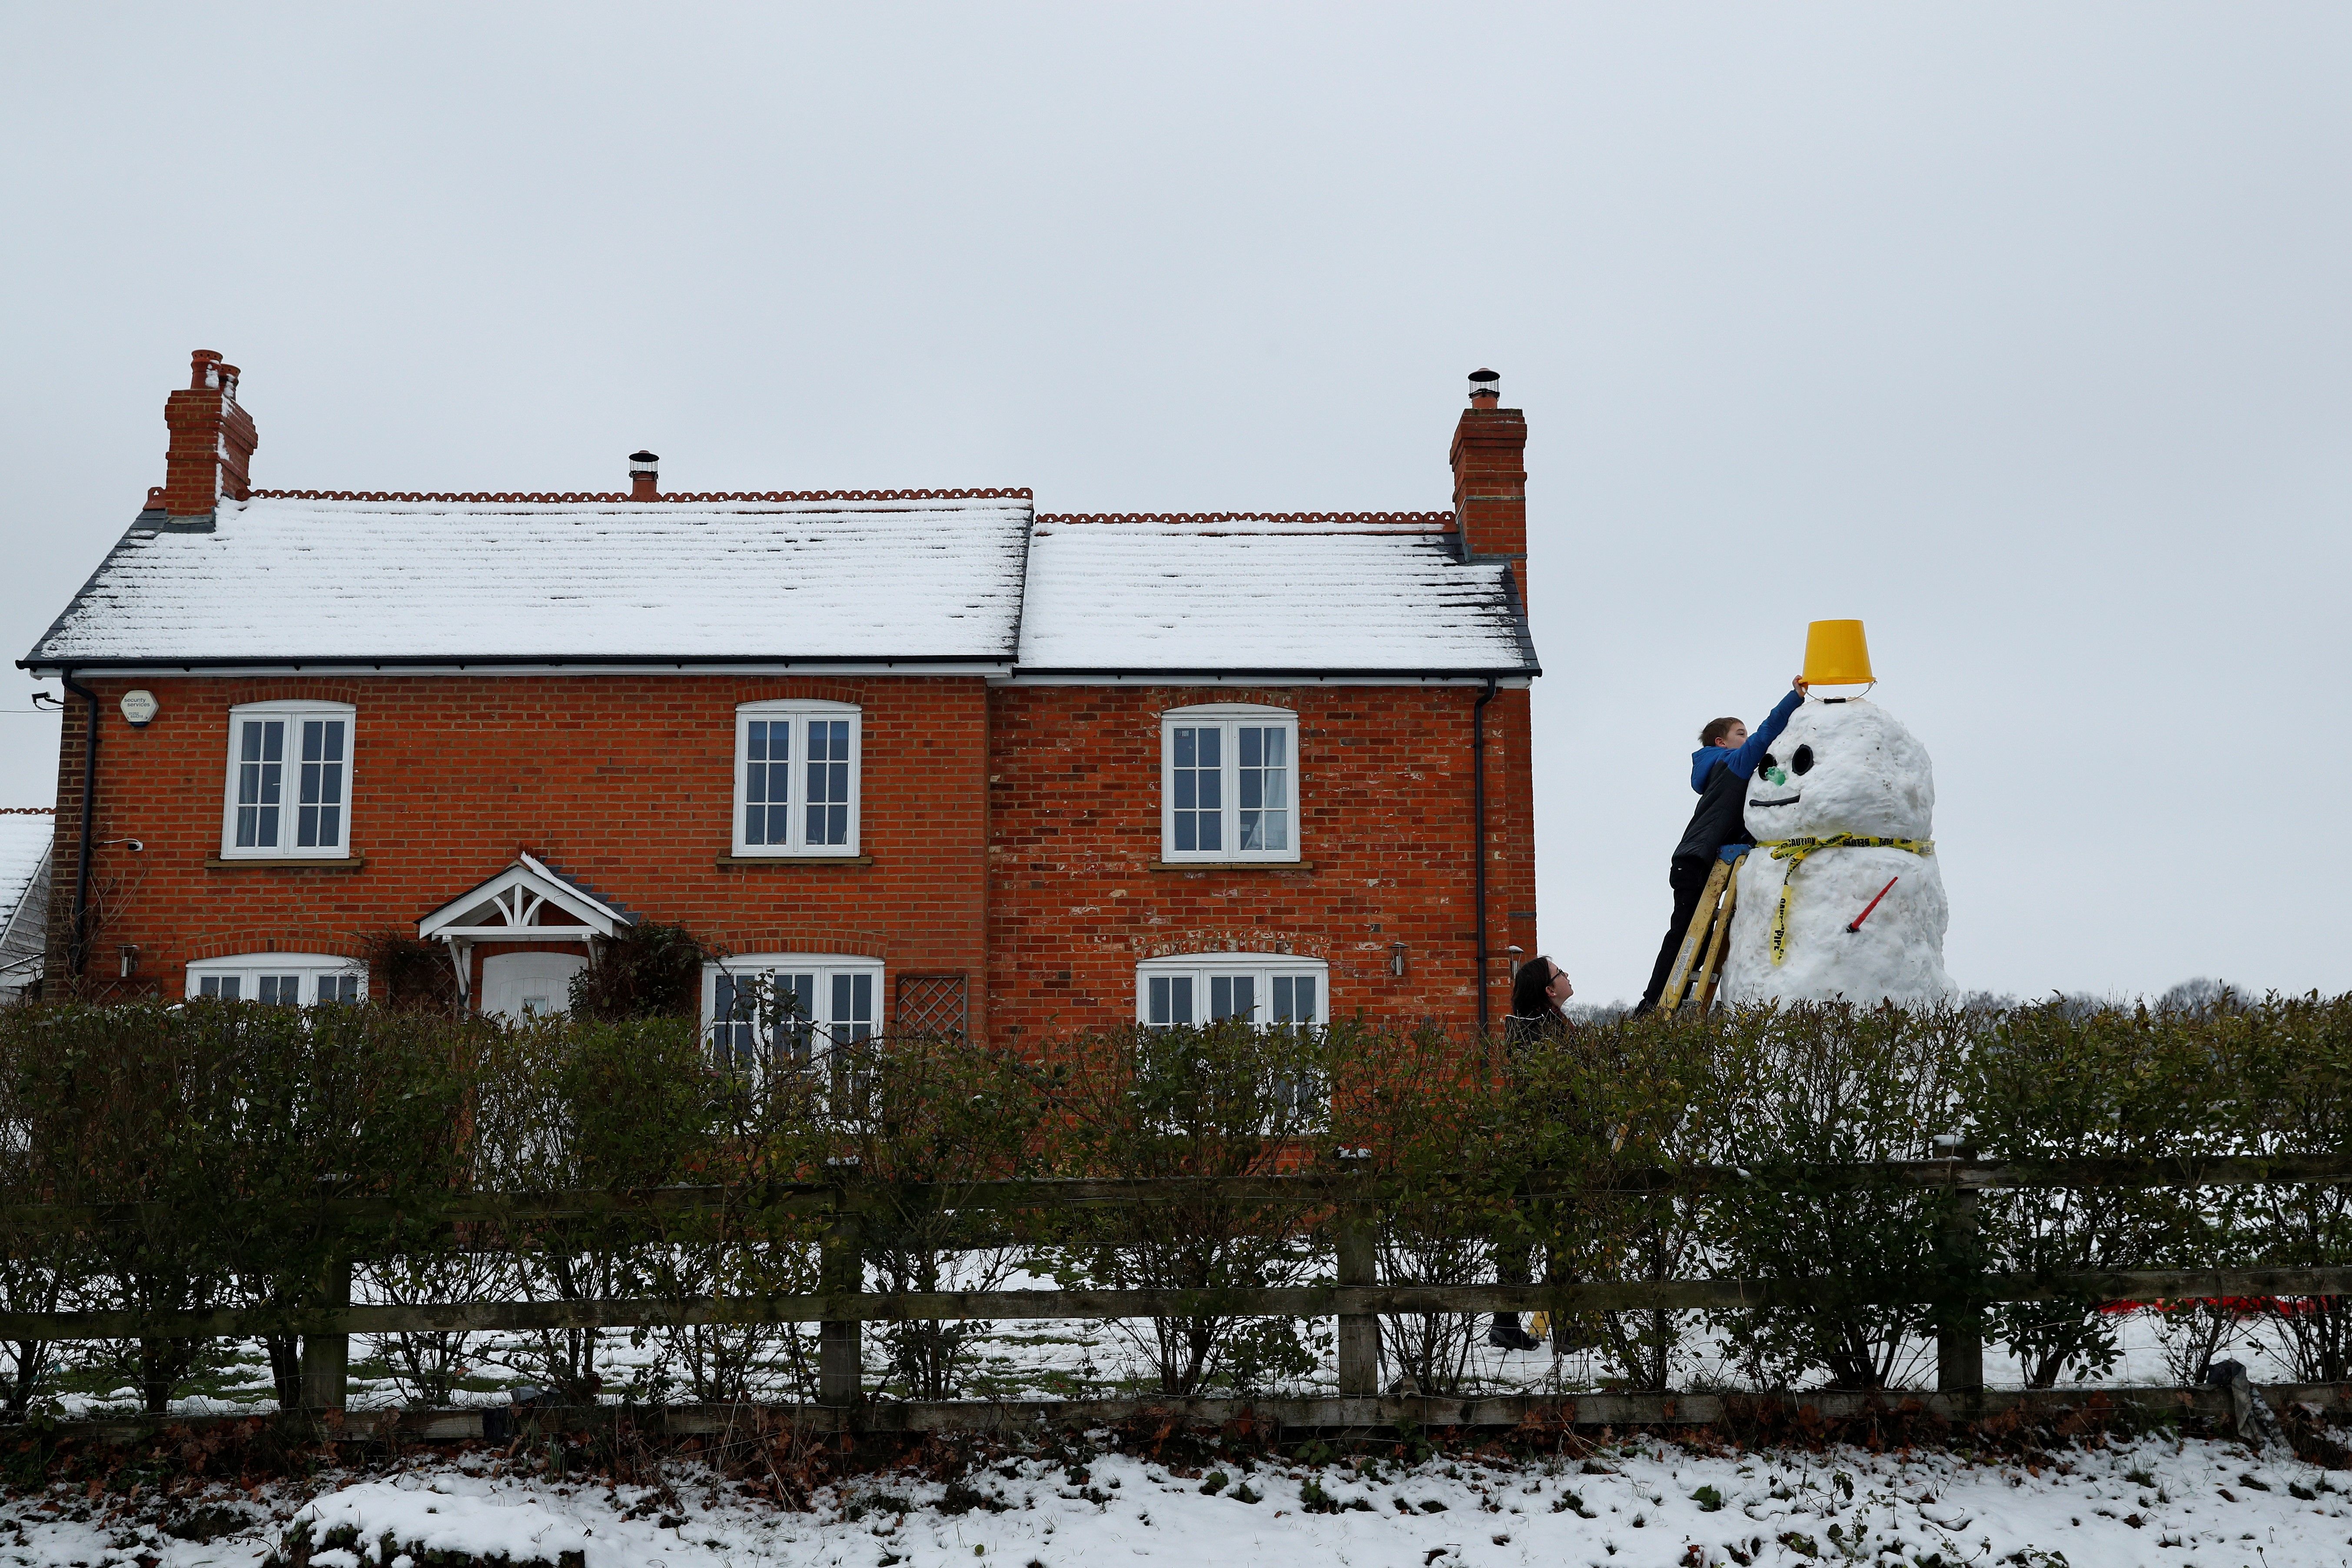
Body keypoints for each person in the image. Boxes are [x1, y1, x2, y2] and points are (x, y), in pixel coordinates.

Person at [1634, 676, 1809, 1016]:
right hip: (1696, 859)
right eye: (1739, 734)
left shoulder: (1725, 769)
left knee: (1693, 941)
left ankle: (1667, 1004)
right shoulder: (1731, 763)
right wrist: (1794, 698)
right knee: (1684, 933)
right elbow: (1764, 735)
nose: (1746, 740)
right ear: (1722, 742)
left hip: (1696, 859)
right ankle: (1653, 1004)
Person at [1491, 955, 1575, 1349]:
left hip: (1537, 1146)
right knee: (1554, 1234)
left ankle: (1508, 1323)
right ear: (1549, 990)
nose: (1567, 976)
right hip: (1546, 1149)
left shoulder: (1539, 1027)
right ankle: (1564, 1329)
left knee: (1527, 1235)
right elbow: (1560, 1093)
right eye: (1561, 974)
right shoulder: (1543, 1032)